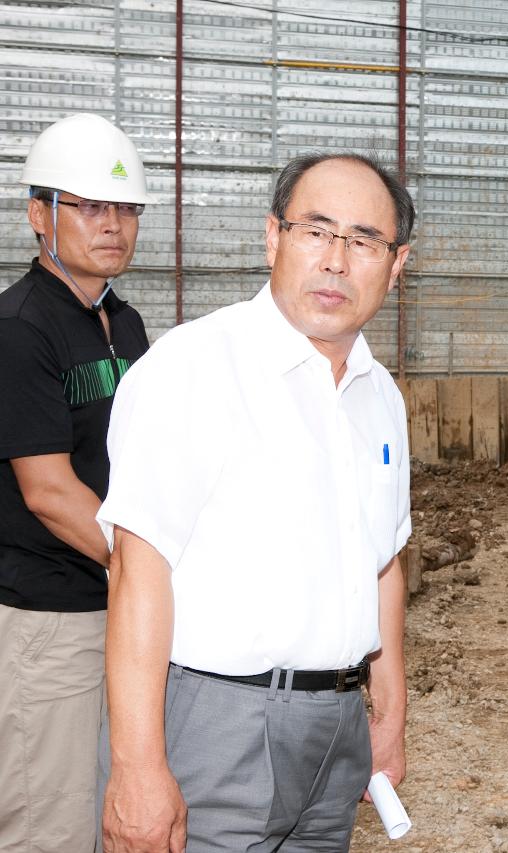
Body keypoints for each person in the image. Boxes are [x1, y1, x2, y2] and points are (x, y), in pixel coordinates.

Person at [96, 153, 414, 852]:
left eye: (364, 241)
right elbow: (136, 572)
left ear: (396, 265)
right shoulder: (192, 369)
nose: (336, 260)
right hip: (215, 720)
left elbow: (384, 563)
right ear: (273, 238)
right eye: (315, 232)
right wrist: (137, 765)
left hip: (335, 727)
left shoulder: (380, 397)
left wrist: (387, 716)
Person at [0, 113, 153, 853]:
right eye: (90, 206)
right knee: (49, 822)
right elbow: (49, 491)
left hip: (117, 604)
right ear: (39, 214)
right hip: (50, 619)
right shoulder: (19, 328)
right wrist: (147, 566)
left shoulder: (124, 324)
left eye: (126, 208)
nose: (113, 225)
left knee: (115, 807)